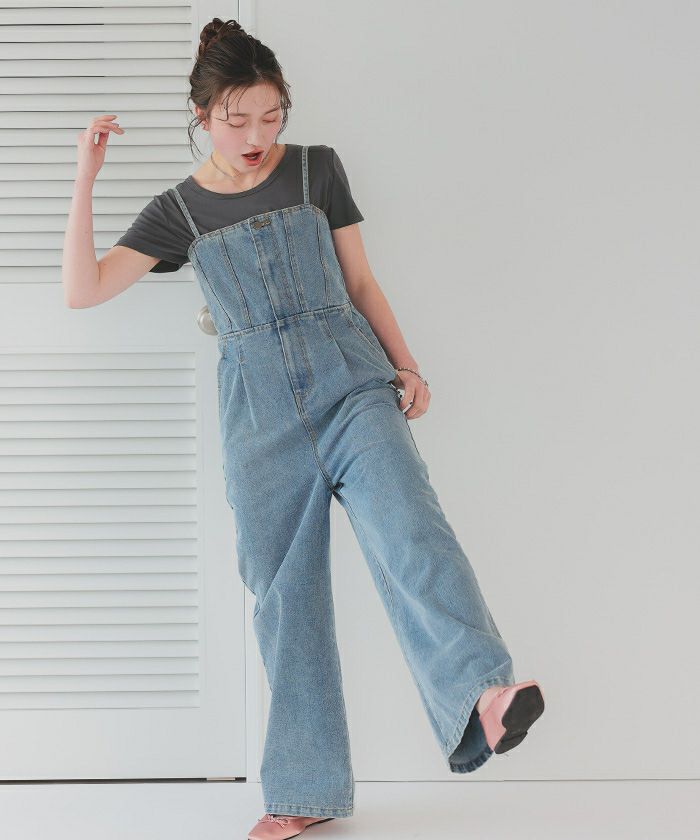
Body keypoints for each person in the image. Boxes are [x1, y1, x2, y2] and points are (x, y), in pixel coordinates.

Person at [61, 17, 545, 840]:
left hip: (352, 383)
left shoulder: (318, 169)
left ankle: (485, 694)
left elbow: (361, 281)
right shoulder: (178, 211)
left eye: (271, 115)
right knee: (286, 601)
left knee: (412, 532)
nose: (257, 137)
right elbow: (83, 290)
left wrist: (408, 366)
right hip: (260, 418)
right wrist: (85, 176)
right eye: (236, 120)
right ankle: (304, 792)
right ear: (202, 114)